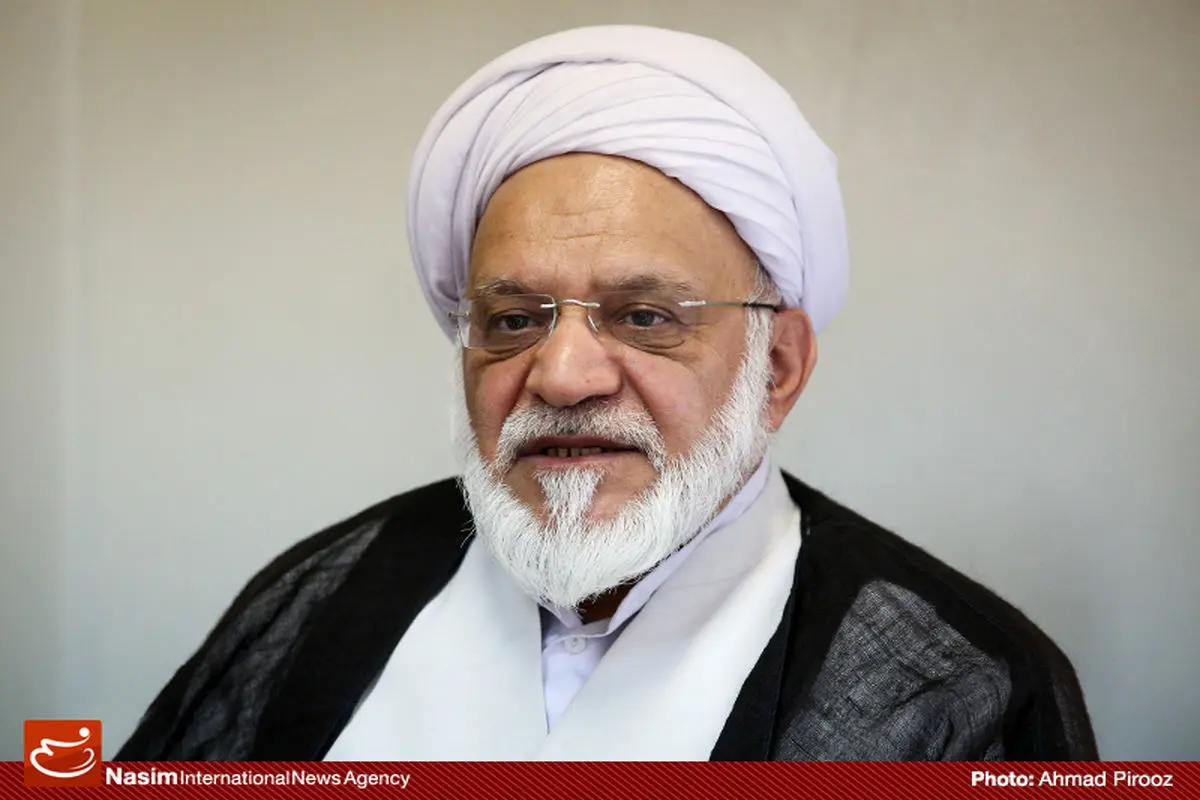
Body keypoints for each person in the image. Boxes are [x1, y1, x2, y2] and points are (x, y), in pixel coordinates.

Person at [117, 25, 1097, 761]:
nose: (562, 376)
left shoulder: (954, 684)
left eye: (645, 316)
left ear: (778, 369)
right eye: (513, 319)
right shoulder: (325, 591)